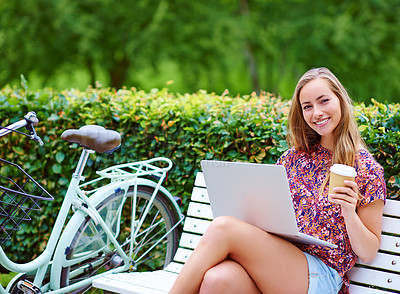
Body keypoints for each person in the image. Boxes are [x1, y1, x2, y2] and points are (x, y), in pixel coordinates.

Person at [169, 67, 386, 294]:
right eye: (307, 106)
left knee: (223, 228)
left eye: (324, 101)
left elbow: (369, 252)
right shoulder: (292, 158)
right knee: (218, 279)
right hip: (276, 265)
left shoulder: (365, 169)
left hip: (322, 275)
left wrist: (349, 213)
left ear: (340, 101)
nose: (317, 112)